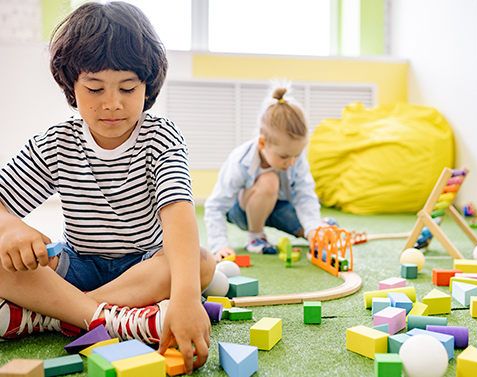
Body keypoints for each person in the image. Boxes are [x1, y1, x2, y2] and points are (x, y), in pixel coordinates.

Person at [0, 2, 214, 374]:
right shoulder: (56, 142)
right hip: (76, 263)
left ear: (146, 86)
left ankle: (53, 316)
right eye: (95, 88)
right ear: (71, 85)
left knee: (198, 262)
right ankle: (107, 318)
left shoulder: (160, 137)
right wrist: (11, 227)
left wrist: (185, 298)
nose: (112, 104)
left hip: (142, 267)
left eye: (127, 88)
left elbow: (178, 213)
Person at [204, 84, 324, 261]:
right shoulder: (241, 161)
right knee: (269, 180)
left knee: (310, 231)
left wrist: (313, 228)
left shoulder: (294, 160)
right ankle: (255, 237)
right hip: (243, 211)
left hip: (278, 207)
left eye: (296, 155)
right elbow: (216, 206)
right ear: (262, 144)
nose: (291, 162)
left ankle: (317, 227)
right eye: (284, 156)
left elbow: (304, 195)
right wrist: (220, 245)